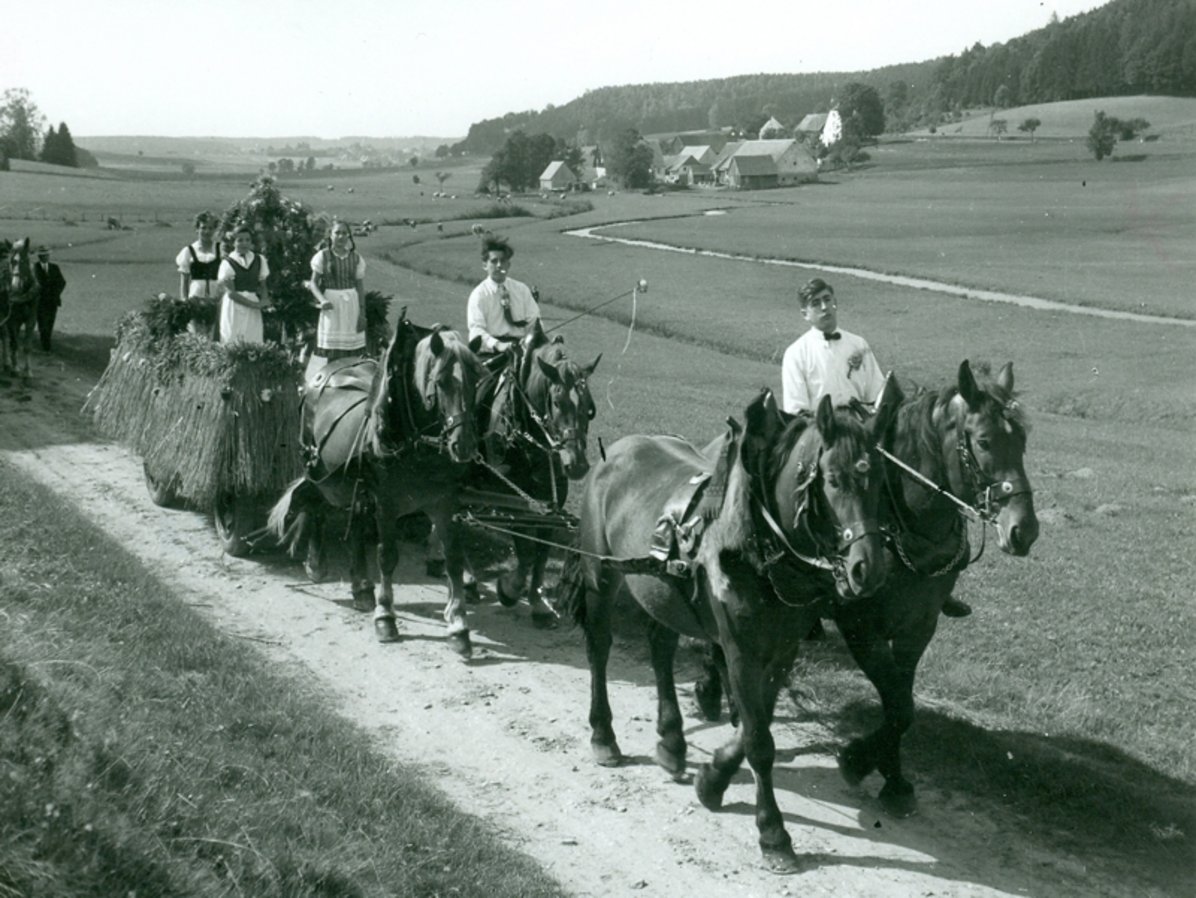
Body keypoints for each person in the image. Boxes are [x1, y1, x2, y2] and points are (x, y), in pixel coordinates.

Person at [781, 277, 972, 619]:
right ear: (805, 313)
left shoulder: (858, 345)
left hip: (864, 433)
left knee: (909, 483)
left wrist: (876, 416)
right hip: (827, 437)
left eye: (828, 299)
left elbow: (876, 391)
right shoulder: (797, 353)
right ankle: (822, 587)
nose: (825, 308)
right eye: (816, 304)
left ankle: (936, 579)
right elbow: (798, 411)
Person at [466, 234, 540, 353]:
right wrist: (498, 345)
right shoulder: (479, 295)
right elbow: (476, 330)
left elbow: (535, 322)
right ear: (485, 265)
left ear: (508, 264)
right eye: (494, 261)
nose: (499, 265)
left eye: (503, 261)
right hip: (492, 351)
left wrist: (528, 340)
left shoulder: (521, 289)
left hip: (522, 348)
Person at [308, 220, 366, 361]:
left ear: (349, 236)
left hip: (351, 304)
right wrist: (323, 300)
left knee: (351, 349)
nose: (341, 237)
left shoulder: (356, 258)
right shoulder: (323, 256)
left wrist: (362, 315)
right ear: (330, 235)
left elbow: (360, 287)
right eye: (337, 233)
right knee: (332, 349)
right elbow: (313, 283)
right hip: (331, 304)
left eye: (344, 233)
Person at [216, 224, 271, 343]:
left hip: (253, 305)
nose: (244, 243)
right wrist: (255, 305)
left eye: (247, 240)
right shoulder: (228, 263)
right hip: (234, 306)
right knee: (233, 339)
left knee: (253, 339)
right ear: (233, 242)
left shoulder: (259, 259)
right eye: (240, 240)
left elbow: (263, 284)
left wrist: (264, 300)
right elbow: (231, 294)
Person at [175, 211, 223, 307]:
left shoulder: (221, 249)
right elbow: (184, 280)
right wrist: (184, 300)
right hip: (196, 295)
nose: (207, 231)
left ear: (215, 230)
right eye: (203, 228)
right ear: (197, 229)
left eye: (210, 228)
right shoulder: (188, 251)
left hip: (217, 296)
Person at [34, 245, 66, 352]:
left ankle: (46, 342)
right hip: (40, 301)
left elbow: (62, 282)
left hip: (52, 300)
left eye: (47, 255)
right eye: (43, 255)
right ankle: (45, 345)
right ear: (39, 257)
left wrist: (56, 293)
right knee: (42, 323)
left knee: (50, 322)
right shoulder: (34, 268)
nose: (45, 257)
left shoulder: (54, 268)